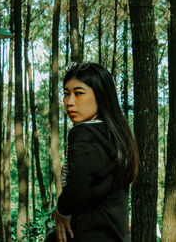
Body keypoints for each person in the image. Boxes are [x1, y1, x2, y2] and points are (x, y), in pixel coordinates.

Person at [53, 62, 139, 242]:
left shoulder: (85, 133)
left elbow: (78, 187)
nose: (69, 102)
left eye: (79, 93)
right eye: (66, 94)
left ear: (101, 95)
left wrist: (61, 210)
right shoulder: (116, 134)